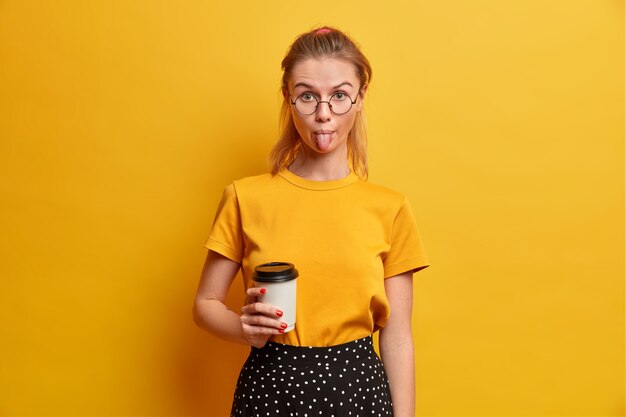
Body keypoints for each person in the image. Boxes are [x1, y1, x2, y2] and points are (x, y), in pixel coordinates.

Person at [193, 26, 429, 417]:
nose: (323, 113)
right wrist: (244, 329)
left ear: (359, 98)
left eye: (339, 96)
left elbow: (398, 336)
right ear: (289, 98)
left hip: (360, 393)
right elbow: (205, 303)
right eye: (308, 96)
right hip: (270, 391)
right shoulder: (245, 197)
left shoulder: (390, 208)